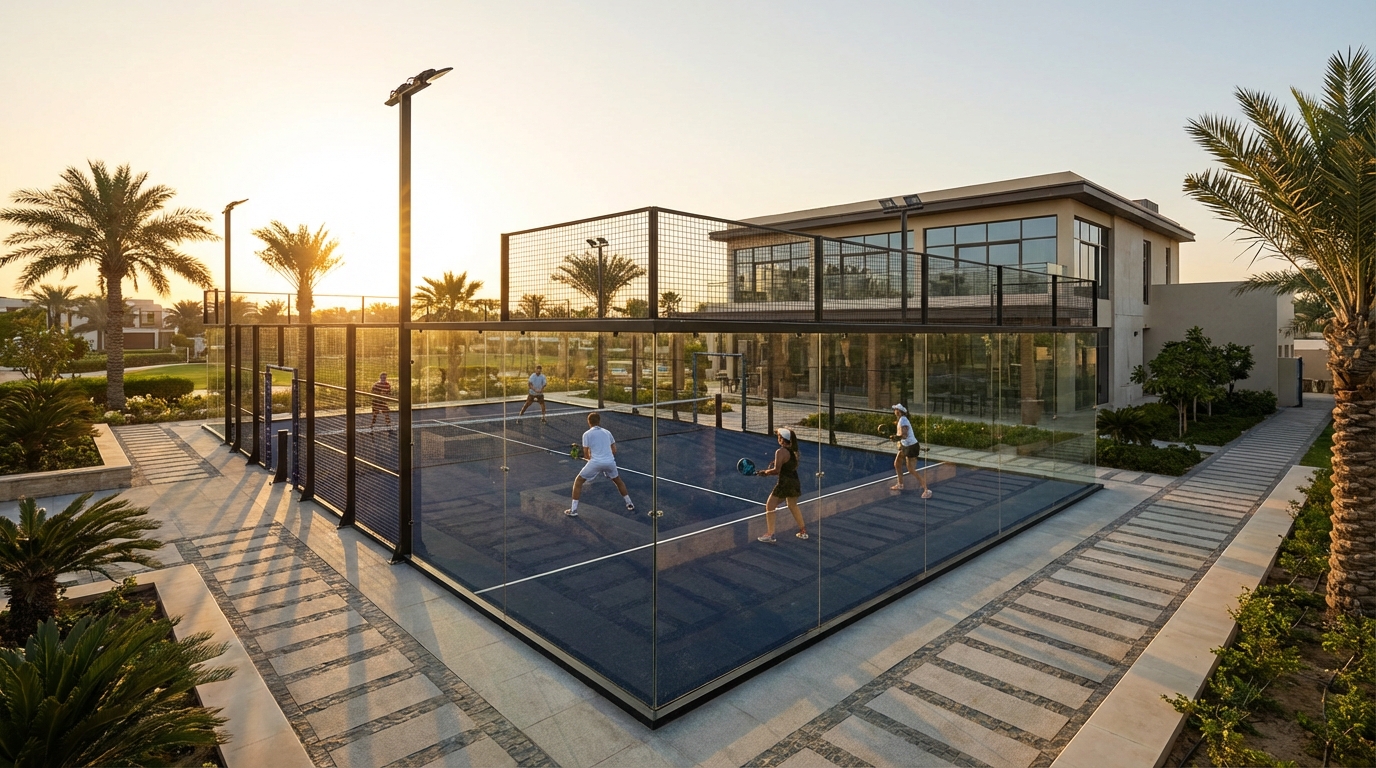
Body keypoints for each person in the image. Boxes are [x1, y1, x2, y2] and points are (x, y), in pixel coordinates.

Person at [565, 412, 634, 516]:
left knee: (578, 482)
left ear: (589, 422)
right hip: (610, 462)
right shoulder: (607, 432)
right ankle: (629, 503)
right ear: (599, 421)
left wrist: (589, 460)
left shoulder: (586, 434)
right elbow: (614, 450)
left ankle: (573, 510)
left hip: (595, 463)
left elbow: (586, 453)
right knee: (618, 481)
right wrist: (606, 460)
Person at [757, 427, 809, 543]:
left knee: (770, 506)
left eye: (779, 436)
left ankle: (770, 534)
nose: (777, 437)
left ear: (782, 439)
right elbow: (787, 465)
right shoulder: (794, 451)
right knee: (792, 505)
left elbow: (777, 470)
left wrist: (765, 472)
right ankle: (803, 531)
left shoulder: (780, 452)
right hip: (794, 482)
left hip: (784, 484)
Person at [889, 404, 931, 498]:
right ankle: (900, 484)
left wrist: (895, 438)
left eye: (895, 409)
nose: (894, 411)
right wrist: (897, 439)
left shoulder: (903, 420)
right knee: (897, 463)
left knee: (911, 469)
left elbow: (904, 435)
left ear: (899, 411)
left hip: (911, 447)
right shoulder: (901, 420)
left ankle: (926, 490)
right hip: (905, 445)